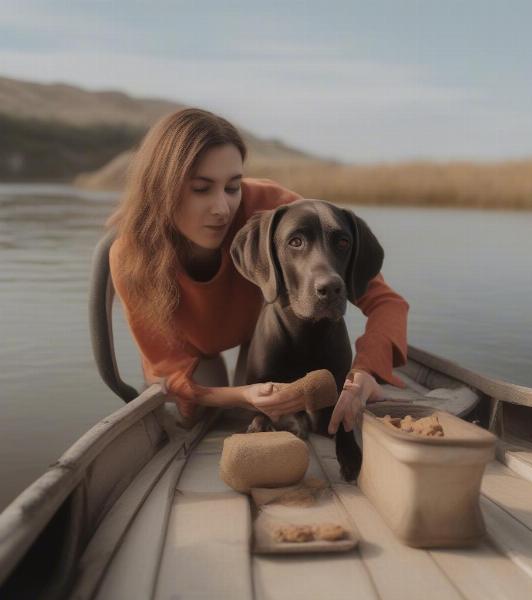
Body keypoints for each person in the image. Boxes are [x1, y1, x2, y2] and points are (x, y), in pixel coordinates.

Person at [105, 108, 410, 435]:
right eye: (200, 188)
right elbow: (173, 374)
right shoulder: (130, 257)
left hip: (261, 337)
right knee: (197, 420)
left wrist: (363, 373)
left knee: (250, 416)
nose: (222, 208)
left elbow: (386, 302)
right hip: (189, 356)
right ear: (161, 187)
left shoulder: (277, 212)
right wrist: (240, 396)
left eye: (233, 186)